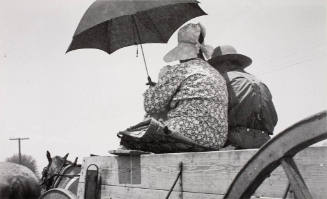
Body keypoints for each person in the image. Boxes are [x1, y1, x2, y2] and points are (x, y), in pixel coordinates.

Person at [138, 23, 229, 152]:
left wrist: (160, 81)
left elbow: (151, 106)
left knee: (137, 131)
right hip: (216, 139)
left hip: (187, 132)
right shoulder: (215, 73)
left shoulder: (180, 70)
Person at [208, 45, 278, 149]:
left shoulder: (222, 81)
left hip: (234, 142)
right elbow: (274, 119)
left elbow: (212, 117)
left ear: (226, 63)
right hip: (264, 143)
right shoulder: (259, 82)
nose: (215, 71)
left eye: (216, 66)